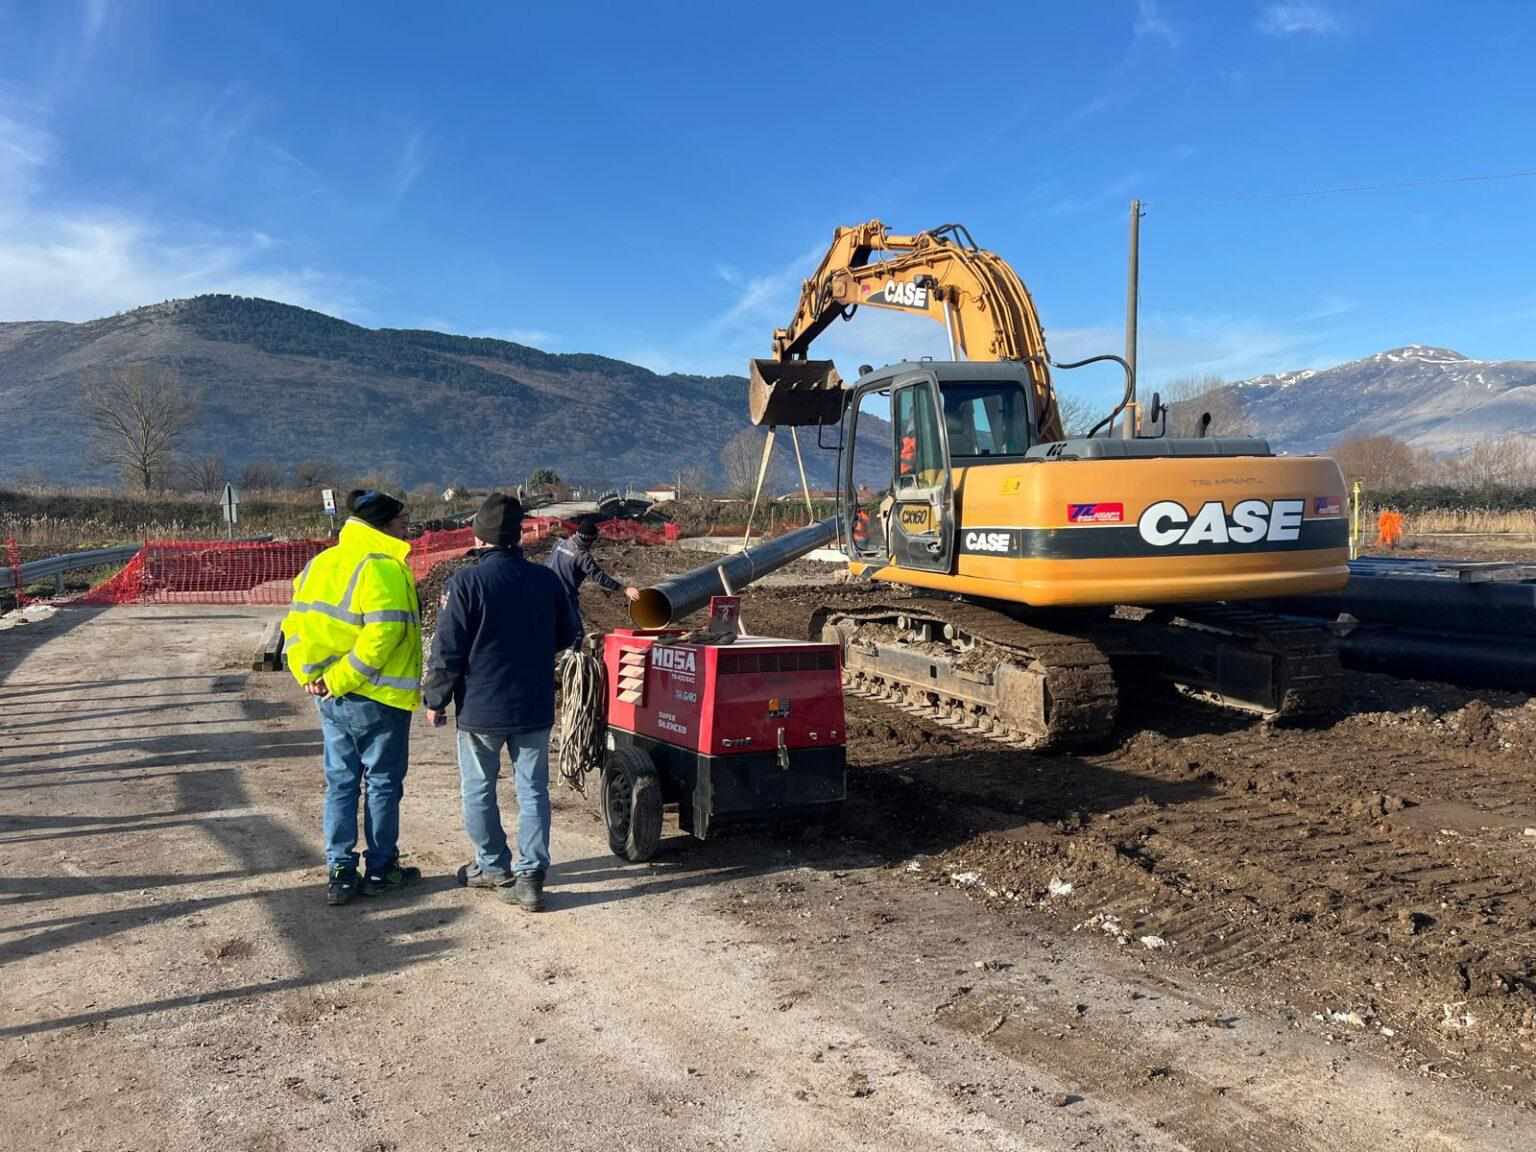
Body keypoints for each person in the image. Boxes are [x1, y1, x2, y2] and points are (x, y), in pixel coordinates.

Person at [422, 493, 579, 912]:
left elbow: (447, 649)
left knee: (478, 789)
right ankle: (530, 876)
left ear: (479, 536)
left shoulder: (466, 584)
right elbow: (568, 635)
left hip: (481, 708)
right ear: (519, 536)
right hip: (533, 704)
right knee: (533, 791)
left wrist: (436, 698)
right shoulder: (547, 581)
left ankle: (492, 865)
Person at [282, 489, 423, 907]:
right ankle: (381, 869)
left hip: (331, 699)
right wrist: (341, 679)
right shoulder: (384, 568)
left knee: (341, 783)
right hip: (378, 698)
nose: (407, 528)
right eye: (401, 522)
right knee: (381, 785)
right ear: (382, 525)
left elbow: (295, 626)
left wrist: (311, 677)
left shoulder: (320, 563)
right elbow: (385, 633)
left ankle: (341, 871)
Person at [545, 518, 640, 645]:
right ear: (589, 540)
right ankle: (570, 662)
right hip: (563, 597)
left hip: (544, 591)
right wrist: (624, 589)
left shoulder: (560, 544)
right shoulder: (582, 556)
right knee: (576, 634)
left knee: (548, 629)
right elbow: (600, 577)